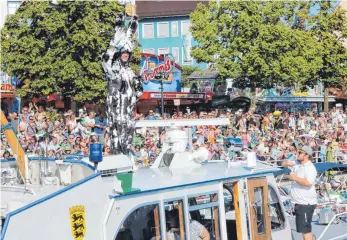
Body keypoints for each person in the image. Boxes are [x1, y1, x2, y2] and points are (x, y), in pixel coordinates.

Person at [282, 146, 317, 240]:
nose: (297, 154)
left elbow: (308, 183)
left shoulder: (310, 168)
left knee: (306, 230)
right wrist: (286, 163)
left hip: (306, 203)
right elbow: (284, 163)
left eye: (300, 152)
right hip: (299, 202)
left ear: (306, 155)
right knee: (303, 229)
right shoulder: (297, 163)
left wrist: (294, 178)